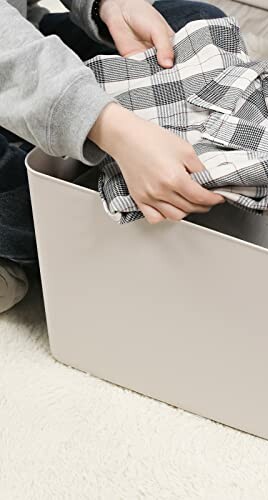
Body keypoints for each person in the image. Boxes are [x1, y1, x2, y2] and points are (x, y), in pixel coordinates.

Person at [0, 0, 226, 313]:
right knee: (35, 205)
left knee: (196, 24)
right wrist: (113, 129)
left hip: (23, 36)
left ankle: (67, 219)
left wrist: (108, 6)